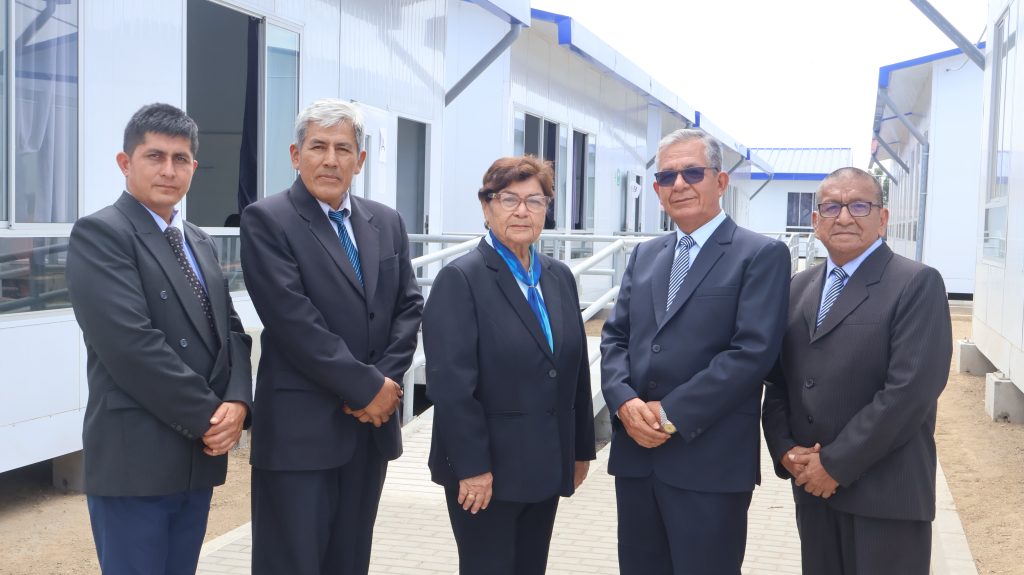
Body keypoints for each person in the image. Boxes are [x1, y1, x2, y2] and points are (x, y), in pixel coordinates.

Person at [66, 103, 253, 574]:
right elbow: (131, 346)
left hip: (195, 461)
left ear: (193, 167)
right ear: (125, 162)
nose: (169, 170)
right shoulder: (101, 234)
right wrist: (211, 417)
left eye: (180, 158)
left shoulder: (198, 240)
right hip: (136, 461)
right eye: (155, 156)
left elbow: (231, 331)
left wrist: (238, 403)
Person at [240, 98, 423, 575]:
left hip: (368, 432)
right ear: (295, 155)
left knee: (350, 562)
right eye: (317, 146)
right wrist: (366, 388)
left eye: (343, 149)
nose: (330, 159)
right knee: (292, 564)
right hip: (300, 435)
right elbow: (294, 321)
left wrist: (383, 385)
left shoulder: (386, 222)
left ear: (359, 160)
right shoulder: (267, 220)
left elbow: (408, 307)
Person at [601, 128, 791, 574]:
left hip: (709, 464)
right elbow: (615, 338)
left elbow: (752, 353)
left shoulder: (760, 254)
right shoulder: (644, 255)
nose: (679, 184)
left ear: (720, 182)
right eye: (667, 176)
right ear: (657, 191)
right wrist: (624, 401)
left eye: (692, 172)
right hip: (637, 460)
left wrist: (670, 414)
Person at [762, 167, 952, 574]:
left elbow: (909, 392)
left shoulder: (916, 283)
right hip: (813, 495)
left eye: (859, 206)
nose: (844, 217)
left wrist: (835, 465)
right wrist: (786, 450)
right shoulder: (798, 288)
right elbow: (778, 382)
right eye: (832, 207)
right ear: (816, 221)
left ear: (882, 218)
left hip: (885, 499)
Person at [423, 156, 596, 575]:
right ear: (486, 207)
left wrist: (578, 451)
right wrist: (473, 468)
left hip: (546, 464)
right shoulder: (461, 279)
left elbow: (574, 369)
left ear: (546, 209)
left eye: (534, 200)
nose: (522, 211)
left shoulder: (559, 276)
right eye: (508, 199)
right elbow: (451, 386)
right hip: (487, 475)